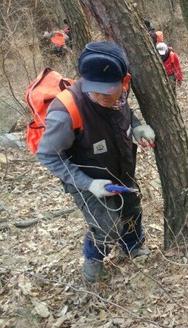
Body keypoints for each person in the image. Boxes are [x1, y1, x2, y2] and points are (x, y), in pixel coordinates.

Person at [36, 41, 156, 283]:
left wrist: (137, 125)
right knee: (106, 225)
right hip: (85, 180)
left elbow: (124, 113)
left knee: (132, 207)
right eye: (94, 89)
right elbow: (48, 154)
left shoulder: (120, 96)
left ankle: (132, 246)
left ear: (124, 82)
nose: (101, 96)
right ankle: (93, 264)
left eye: (109, 90)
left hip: (120, 167)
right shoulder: (65, 110)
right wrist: (88, 183)